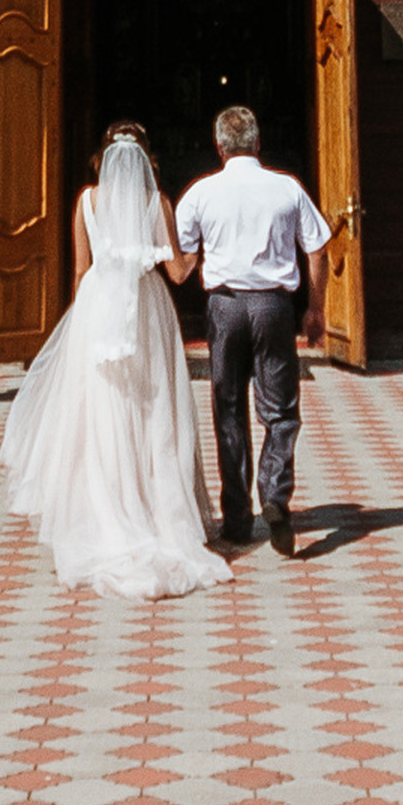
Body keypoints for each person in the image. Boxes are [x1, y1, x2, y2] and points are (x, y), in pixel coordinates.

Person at [0, 120, 229, 600]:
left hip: (98, 307)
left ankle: (105, 511)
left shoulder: (86, 201)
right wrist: (205, 248)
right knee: (154, 410)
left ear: (104, 157)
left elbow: (81, 270)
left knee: (101, 411)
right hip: (148, 310)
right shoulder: (157, 203)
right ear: (146, 159)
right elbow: (179, 272)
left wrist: (83, 320)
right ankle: (159, 512)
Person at [172, 104, 333, 557]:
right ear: (258, 144)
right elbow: (318, 247)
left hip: (224, 306)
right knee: (279, 410)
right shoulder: (287, 188)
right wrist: (315, 309)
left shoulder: (201, 193)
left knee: (228, 409)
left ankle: (239, 520)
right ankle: (276, 495)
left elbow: (181, 263)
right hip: (273, 306)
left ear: (219, 146)